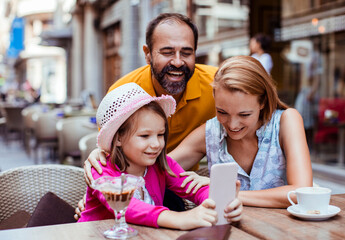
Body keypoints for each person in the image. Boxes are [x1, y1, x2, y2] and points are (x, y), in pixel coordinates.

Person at [77, 12, 217, 219]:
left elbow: (190, 185)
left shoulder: (217, 85)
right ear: (148, 54)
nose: (178, 62)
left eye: (186, 52)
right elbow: (109, 159)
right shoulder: (123, 92)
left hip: (163, 184)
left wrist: (218, 199)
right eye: (167, 52)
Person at [77, 83, 242, 229]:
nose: (156, 144)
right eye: (145, 136)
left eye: (160, 134)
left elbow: (193, 187)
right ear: (118, 138)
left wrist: (218, 204)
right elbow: (128, 207)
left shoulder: (161, 165)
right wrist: (178, 218)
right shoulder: (101, 168)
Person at [170, 56, 313, 208]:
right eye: (222, 112)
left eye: (244, 115)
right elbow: (156, 170)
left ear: (263, 102)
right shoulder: (210, 132)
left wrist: (225, 192)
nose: (232, 125)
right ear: (214, 97)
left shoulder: (287, 121)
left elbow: (302, 192)